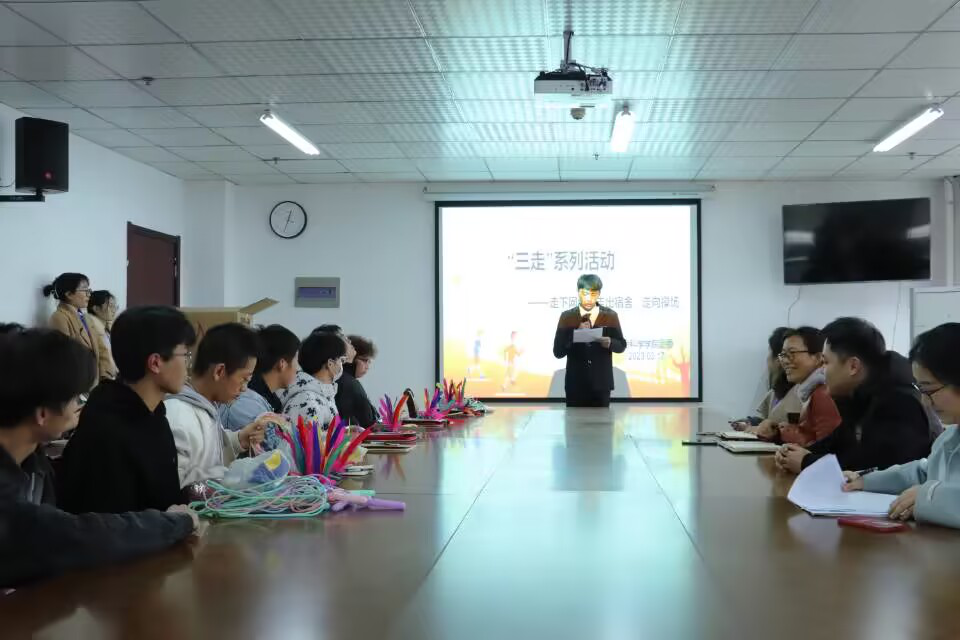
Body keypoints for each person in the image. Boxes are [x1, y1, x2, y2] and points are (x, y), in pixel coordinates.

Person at [0, 328, 201, 588]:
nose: (79, 405)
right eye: (75, 397)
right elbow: (77, 534)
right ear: (43, 414)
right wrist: (174, 523)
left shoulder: (34, 463)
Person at [58, 306, 197, 514]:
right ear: (156, 363)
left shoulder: (154, 414)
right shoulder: (107, 431)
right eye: (185, 355)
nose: (188, 365)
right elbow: (111, 524)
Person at [775, 317, 933, 474]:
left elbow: (877, 468)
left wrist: (806, 462)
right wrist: (792, 454)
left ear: (853, 366)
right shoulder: (857, 397)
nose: (822, 371)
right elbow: (837, 444)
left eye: (826, 362)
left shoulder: (899, 404)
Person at [843, 323, 960, 527]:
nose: (925, 402)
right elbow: (922, 472)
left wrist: (930, 497)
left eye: (929, 390)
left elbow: (931, 489)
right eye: (920, 389)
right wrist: (865, 480)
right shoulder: (949, 439)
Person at [164, 323, 279, 488]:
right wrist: (230, 480)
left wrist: (240, 439)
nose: (244, 388)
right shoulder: (178, 414)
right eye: (244, 379)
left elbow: (207, 456)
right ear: (219, 371)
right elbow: (176, 484)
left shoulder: (206, 408)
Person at [752, 327, 840, 446]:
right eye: (783, 354)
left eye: (792, 353)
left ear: (818, 358)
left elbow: (827, 449)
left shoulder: (822, 393)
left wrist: (783, 433)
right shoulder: (810, 391)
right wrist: (778, 432)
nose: (785, 361)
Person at [220, 324, 300, 452]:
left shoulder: (266, 399)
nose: (298, 368)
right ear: (282, 363)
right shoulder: (248, 404)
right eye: (296, 360)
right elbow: (269, 455)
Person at [552, 274, 626, 407]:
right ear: (578, 292)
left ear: (599, 294)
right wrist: (575, 335)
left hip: (602, 384)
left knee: (603, 421)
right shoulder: (567, 317)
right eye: (584, 293)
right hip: (575, 385)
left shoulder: (610, 316)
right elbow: (558, 352)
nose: (588, 298)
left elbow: (621, 345)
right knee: (573, 421)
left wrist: (610, 342)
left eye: (593, 294)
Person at [44, 272, 109, 382]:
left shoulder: (86, 318)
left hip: (95, 380)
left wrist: (105, 376)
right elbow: (64, 357)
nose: (89, 294)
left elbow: (101, 348)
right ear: (69, 294)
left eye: (89, 289)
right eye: (84, 290)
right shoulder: (59, 318)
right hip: (77, 382)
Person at [733, 327, 799, 429]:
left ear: (778, 359)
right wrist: (751, 422)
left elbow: (777, 426)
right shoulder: (776, 391)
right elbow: (768, 418)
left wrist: (752, 428)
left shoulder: (799, 393)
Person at [280, 331, 345, 428]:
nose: (342, 365)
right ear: (330, 364)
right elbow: (306, 438)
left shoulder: (323, 395)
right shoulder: (307, 400)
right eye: (342, 360)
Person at [334, 334, 378, 427]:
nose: (367, 367)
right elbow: (367, 421)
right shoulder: (350, 384)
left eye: (369, 362)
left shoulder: (342, 380)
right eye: (364, 360)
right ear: (351, 357)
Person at [86, 290, 119, 381]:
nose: (114, 310)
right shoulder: (92, 330)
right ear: (96, 309)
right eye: (110, 306)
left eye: (115, 306)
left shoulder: (107, 329)